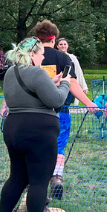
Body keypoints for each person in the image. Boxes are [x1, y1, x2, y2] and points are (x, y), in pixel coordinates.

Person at [0, 37, 70, 212]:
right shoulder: (37, 72)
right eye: (40, 54)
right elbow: (56, 101)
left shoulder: (10, 73)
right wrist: (64, 84)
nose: (43, 56)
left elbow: (30, 93)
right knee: (39, 180)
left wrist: (51, 83)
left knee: (17, 177)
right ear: (31, 55)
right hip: (39, 131)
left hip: (13, 129)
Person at [33, 20, 99, 199]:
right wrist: (88, 103)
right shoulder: (63, 58)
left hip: (34, 112)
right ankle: (57, 177)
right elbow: (72, 83)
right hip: (59, 111)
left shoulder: (30, 56)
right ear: (53, 39)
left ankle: (35, 181)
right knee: (59, 145)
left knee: (36, 147)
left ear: (38, 39)